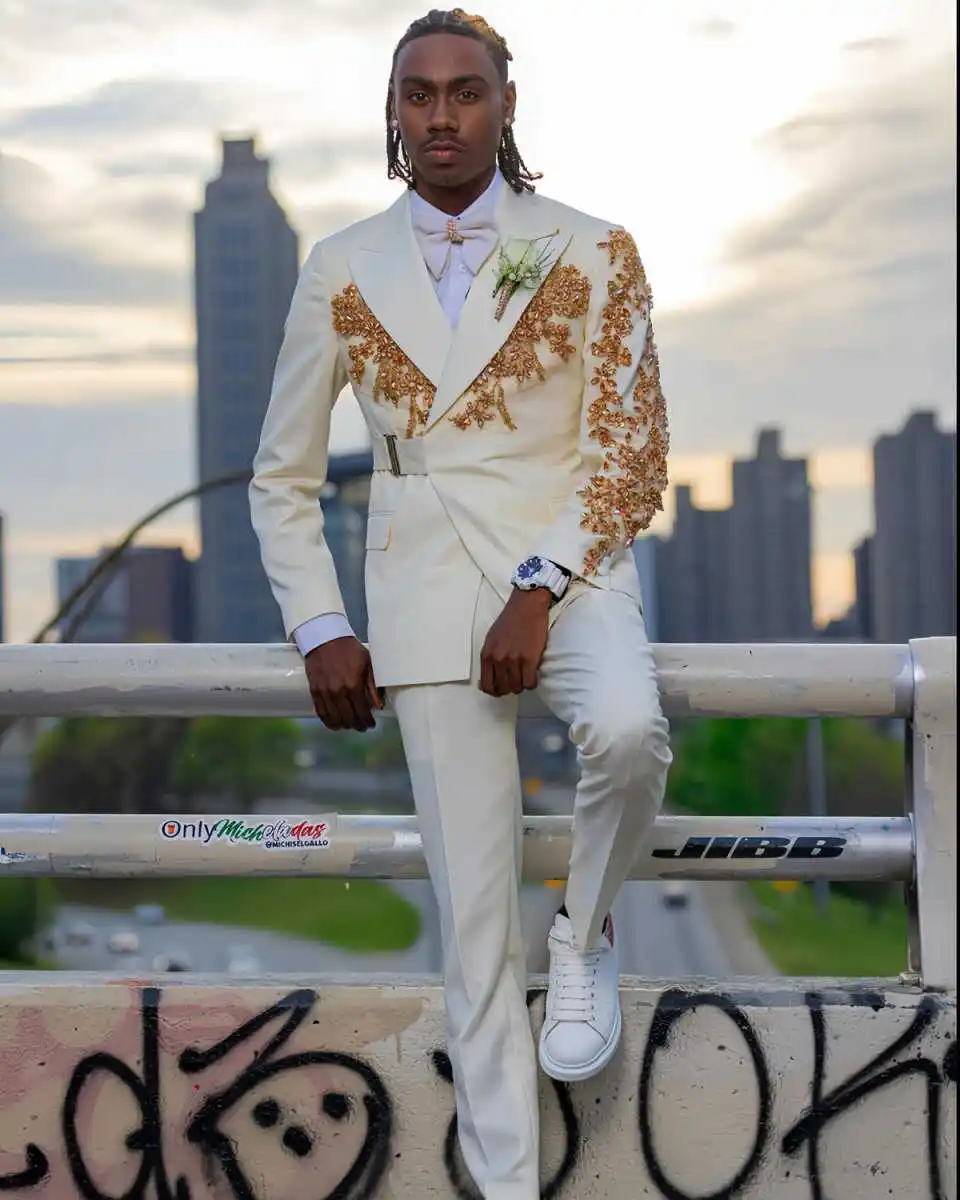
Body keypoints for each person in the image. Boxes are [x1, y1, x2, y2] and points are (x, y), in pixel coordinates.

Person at [250, 9, 673, 1197]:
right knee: (472, 934)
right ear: (393, 113)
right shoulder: (340, 264)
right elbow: (280, 478)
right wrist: (323, 626)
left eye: (465, 91)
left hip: (568, 565)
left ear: (505, 104)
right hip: (424, 588)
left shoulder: (595, 249)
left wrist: (539, 588)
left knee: (631, 736)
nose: (442, 114)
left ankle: (584, 934)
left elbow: (627, 454)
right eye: (418, 94)